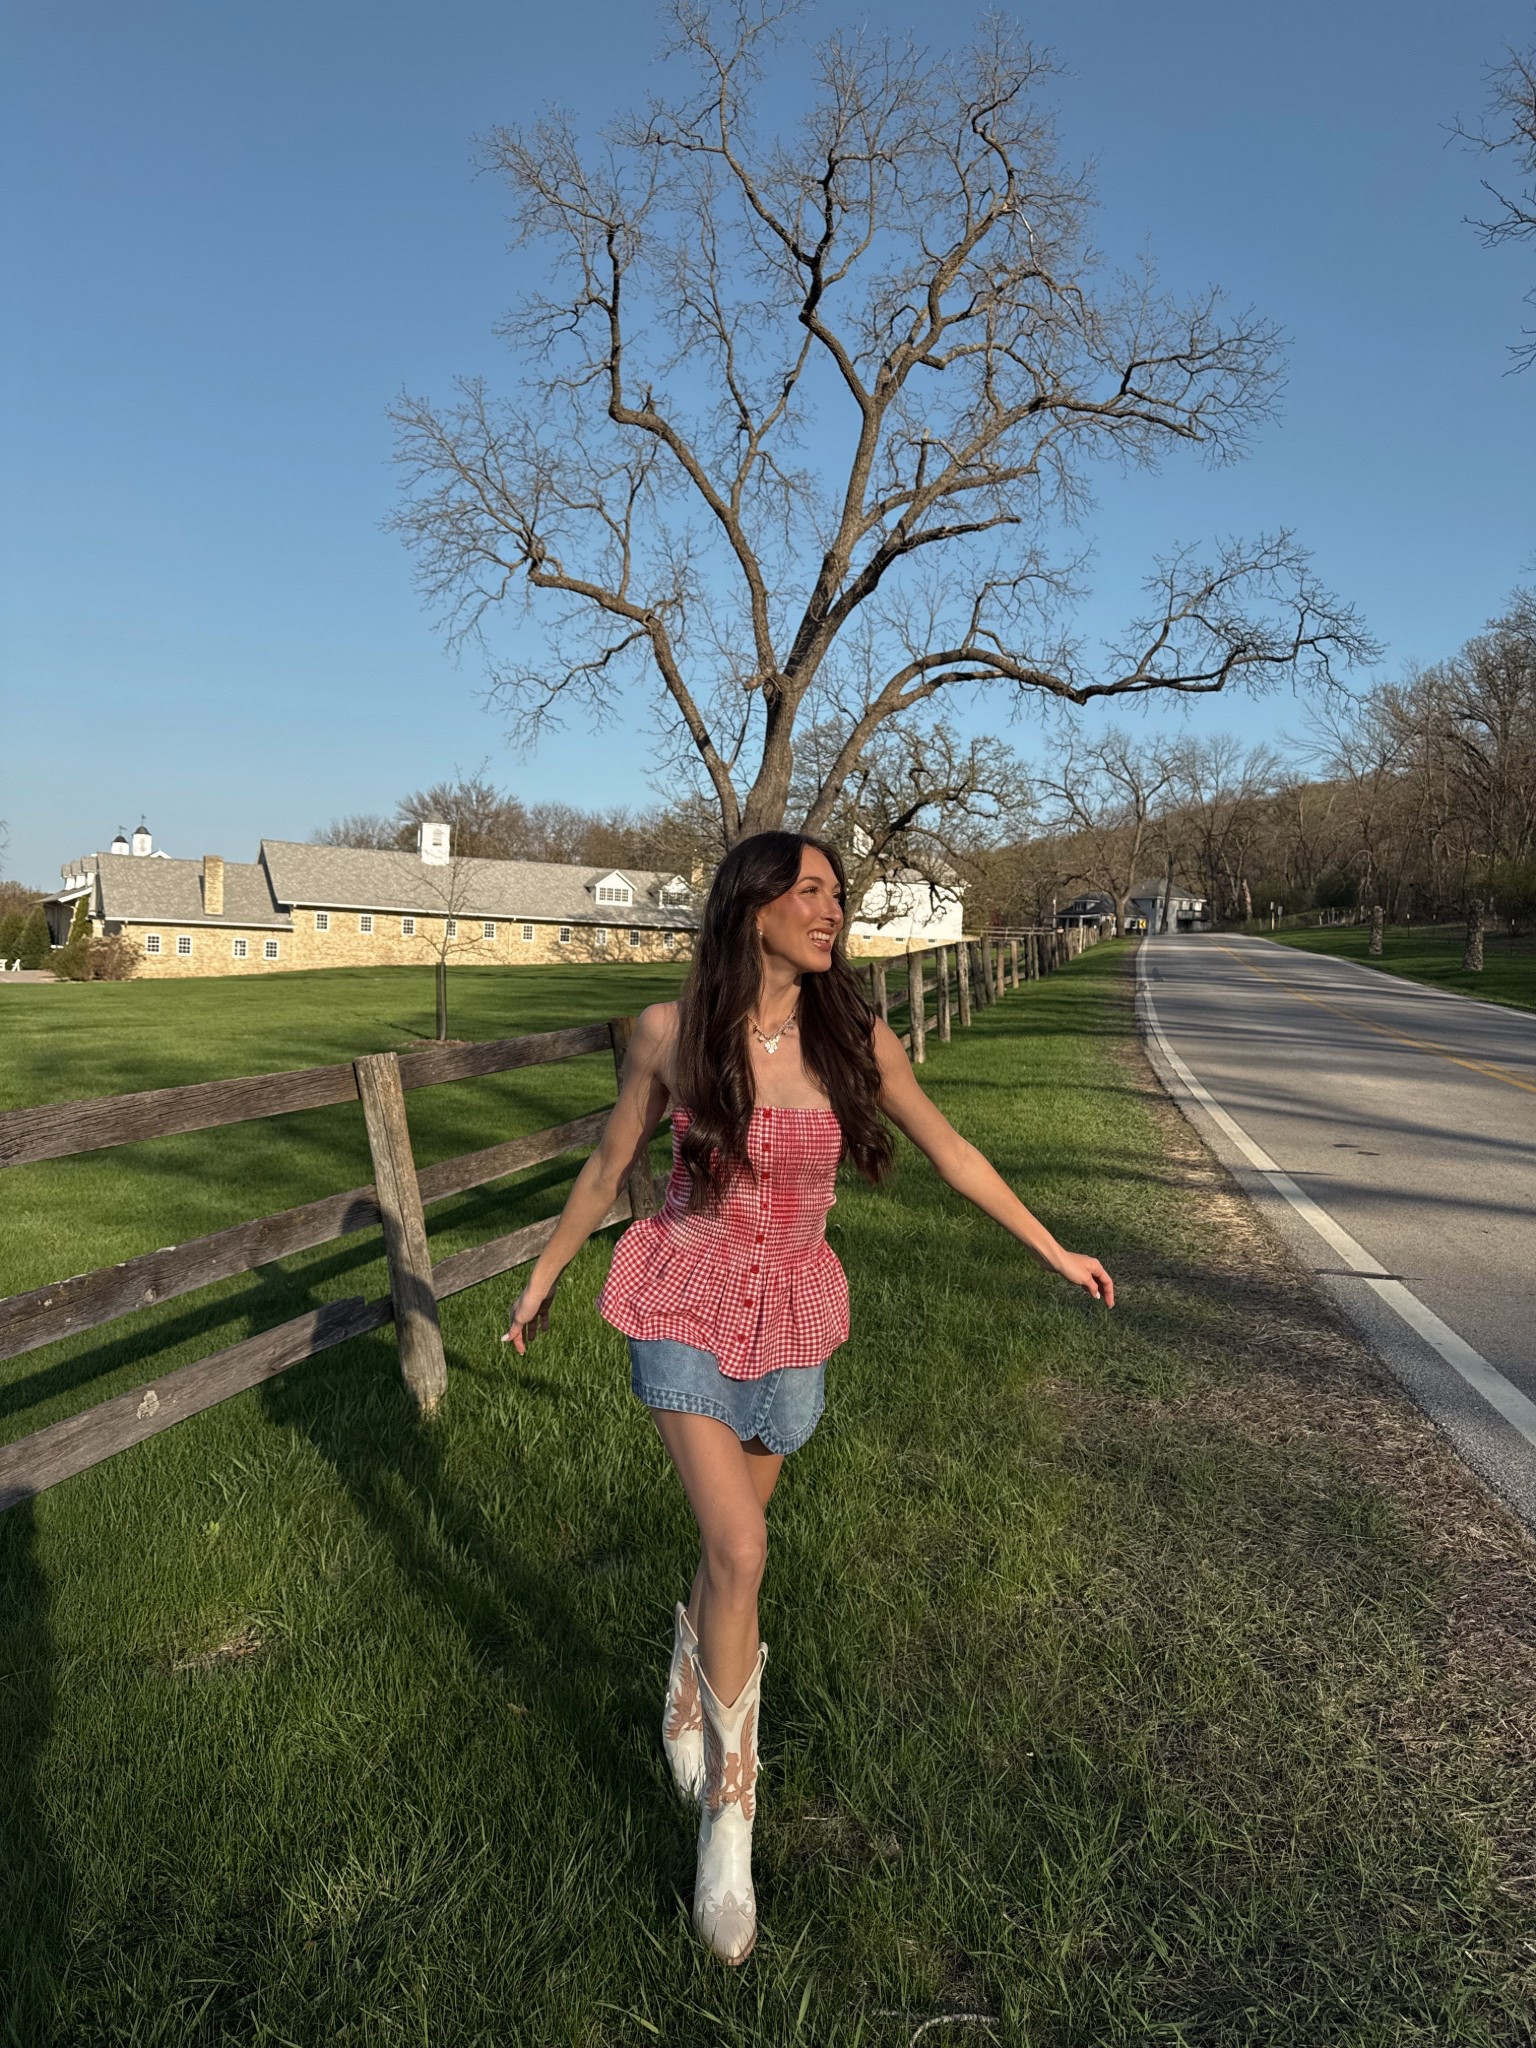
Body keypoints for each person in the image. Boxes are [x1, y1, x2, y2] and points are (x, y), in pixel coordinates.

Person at [503, 831, 1114, 1964]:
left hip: (792, 1316)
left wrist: (1052, 1246)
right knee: (738, 1546)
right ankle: (728, 1826)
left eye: (839, 893)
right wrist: (541, 1278)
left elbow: (952, 1148)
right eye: (813, 890)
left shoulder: (852, 1038)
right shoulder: (667, 1033)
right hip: (683, 1291)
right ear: (755, 906)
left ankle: (689, 1682)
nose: (835, 909)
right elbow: (606, 1165)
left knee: (733, 1547)